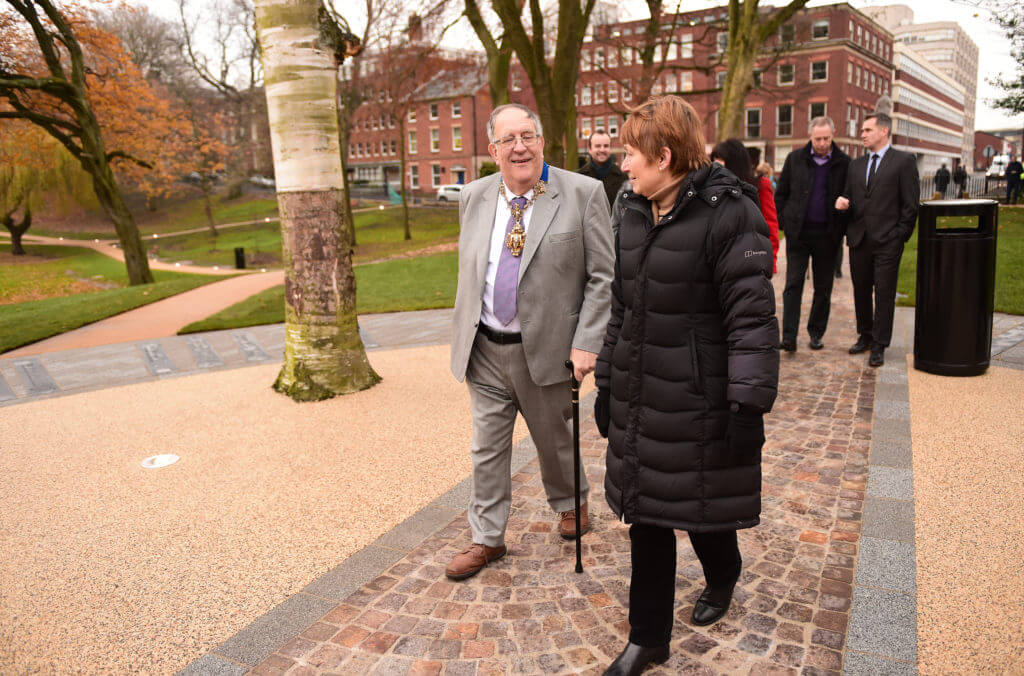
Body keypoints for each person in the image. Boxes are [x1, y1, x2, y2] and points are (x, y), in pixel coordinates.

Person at [594, 95, 779, 676]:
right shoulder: (629, 208)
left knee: (702, 505)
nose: (623, 165)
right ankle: (649, 638)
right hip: (642, 393)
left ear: (665, 157)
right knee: (647, 513)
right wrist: (606, 380)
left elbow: (751, 319)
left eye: (630, 154)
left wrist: (747, 405)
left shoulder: (731, 214)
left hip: (700, 398)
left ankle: (723, 572)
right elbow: (621, 307)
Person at [447, 103, 614, 580]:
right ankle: (487, 538)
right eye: (508, 139)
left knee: (555, 439)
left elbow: (604, 276)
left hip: (547, 347)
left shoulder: (583, 194)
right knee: (486, 449)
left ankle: (570, 502)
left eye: (527, 136)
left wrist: (587, 341)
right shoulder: (474, 196)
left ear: (542, 141)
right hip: (485, 348)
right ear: (494, 148)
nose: (518, 147)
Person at [836, 112, 919, 368]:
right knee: (861, 291)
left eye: (867, 130)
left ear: (884, 131)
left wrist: (899, 236)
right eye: (862, 130)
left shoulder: (903, 161)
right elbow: (851, 197)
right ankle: (865, 336)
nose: (862, 134)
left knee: (883, 293)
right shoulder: (856, 165)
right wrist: (842, 203)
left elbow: (910, 204)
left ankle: (880, 344)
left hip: (888, 241)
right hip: (859, 239)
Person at [774, 116, 852, 352]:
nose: (822, 143)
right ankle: (788, 337)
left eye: (826, 138)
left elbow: (850, 194)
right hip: (798, 233)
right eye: (818, 138)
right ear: (810, 136)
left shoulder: (844, 162)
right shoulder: (795, 159)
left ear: (833, 133)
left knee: (823, 288)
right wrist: (784, 221)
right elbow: (781, 194)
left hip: (827, 236)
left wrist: (843, 211)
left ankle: (816, 333)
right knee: (793, 285)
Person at [710, 138, 779, 275]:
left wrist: (768, 262)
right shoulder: (711, 189)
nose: (716, 165)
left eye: (721, 159)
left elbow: (770, 227)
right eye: (714, 159)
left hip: (749, 263)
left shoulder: (760, 187)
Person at [578, 130, 629, 210]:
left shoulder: (624, 178)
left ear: (610, 148)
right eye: (598, 146)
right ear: (590, 149)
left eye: (606, 146)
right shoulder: (579, 177)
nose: (602, 150)